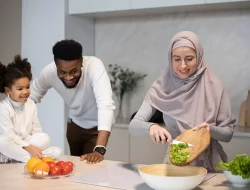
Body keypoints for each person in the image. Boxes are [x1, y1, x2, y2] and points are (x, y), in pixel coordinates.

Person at [129, 31, 236, 172]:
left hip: (210, 164)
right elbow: (133, 126)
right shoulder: (162, 86)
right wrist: (151, 127)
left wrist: (210, 130)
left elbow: (228, 134)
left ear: (199, 57)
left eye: (189, 58)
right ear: (170, 59)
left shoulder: (214, 86)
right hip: (175, 164)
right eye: (177, 59)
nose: (183, 65)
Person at [30, 39, 115, 164]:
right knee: (77, 167)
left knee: (90, 168)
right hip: (74, 125)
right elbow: (30, 97)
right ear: (56, 65)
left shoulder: (94, 66)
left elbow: (105, 105)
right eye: (62, 72)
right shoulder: (49, 72)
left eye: (74, 71)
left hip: (96, 128)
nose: (69, 77)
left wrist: (100, 149)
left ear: (81, 62)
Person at [0, 55, 62, 163]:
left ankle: (19, 157)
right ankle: (33, 157)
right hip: (11, 143)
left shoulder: (31, 104)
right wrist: (27, 147)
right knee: (2, 141)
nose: (25, 92)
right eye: (20, 89)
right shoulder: (3, 108)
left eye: (27, 87)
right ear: (8, 90)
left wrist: (33, 146)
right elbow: (9, 136)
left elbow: (37, 131)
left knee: (45, 138)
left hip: (26, 143)